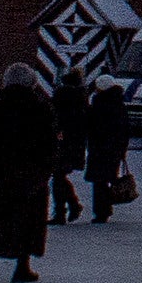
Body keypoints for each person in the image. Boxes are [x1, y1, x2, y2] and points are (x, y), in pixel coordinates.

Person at [0, 64, 63, 283]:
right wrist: (43, 170)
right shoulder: (42, 113)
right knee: (28, 218)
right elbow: (50, 147)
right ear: (32, 84)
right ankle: (22, 265)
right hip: (30, 176)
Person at [82, 69, 133, 222]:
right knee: (108, 177)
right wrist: (122, 147)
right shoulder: (119, 104)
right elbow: (124, 128)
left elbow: (91, 124)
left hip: (99, 147)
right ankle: (105, 209)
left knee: (99, 180)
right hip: (114, 148)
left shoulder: (99, 103)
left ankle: (101, 211)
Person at [47, 72, 88, 224]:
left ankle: (64, 210)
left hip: (62, 141)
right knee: (59, 176)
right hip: (75, 142)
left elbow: (55, 117)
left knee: (57, 176)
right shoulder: (82, 98)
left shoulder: (62, 95)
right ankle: (70, 206)